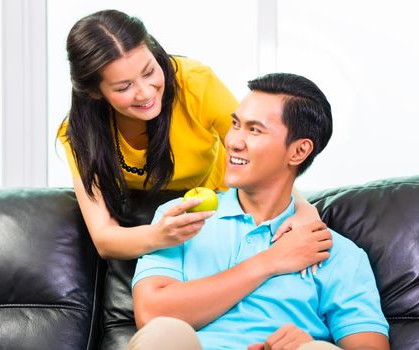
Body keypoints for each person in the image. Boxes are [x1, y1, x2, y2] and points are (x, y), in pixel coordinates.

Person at [131, 73, 390, 349]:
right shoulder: (181, 218)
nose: (232, 141)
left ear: (298, 151)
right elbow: (150, 314)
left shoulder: (334, 252)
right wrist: (270, 261)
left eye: (254, 130)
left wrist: (304, 344)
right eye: (235, 124)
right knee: (165, 334)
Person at [57, 9, 322, 261]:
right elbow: (104, 238)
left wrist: (303, 208)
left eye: (149, 72)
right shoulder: (79, 134)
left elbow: (259, 149)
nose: (146, 93)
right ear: (95, 92)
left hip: (224, 210)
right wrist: (158, 235)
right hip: (151, 229)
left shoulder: (194, 83)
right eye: (124, 86)